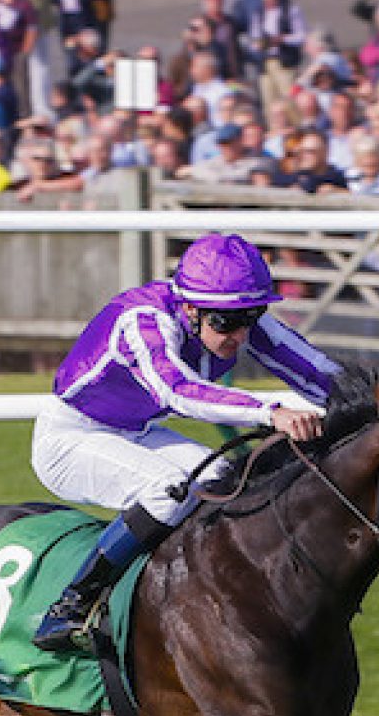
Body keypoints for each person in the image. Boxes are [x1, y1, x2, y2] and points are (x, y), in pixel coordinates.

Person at [27, 233, 340, 651]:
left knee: (226, 479)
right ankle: (72, 605)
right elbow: (178, 390)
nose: (241, 335)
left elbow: (312, 368)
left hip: (135, 430)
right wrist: (271, 411)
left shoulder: (228, 313)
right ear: (189, 308)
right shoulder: (143, 320)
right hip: (71, 437)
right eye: (226, 324)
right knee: (169, 489)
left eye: (253, 317)